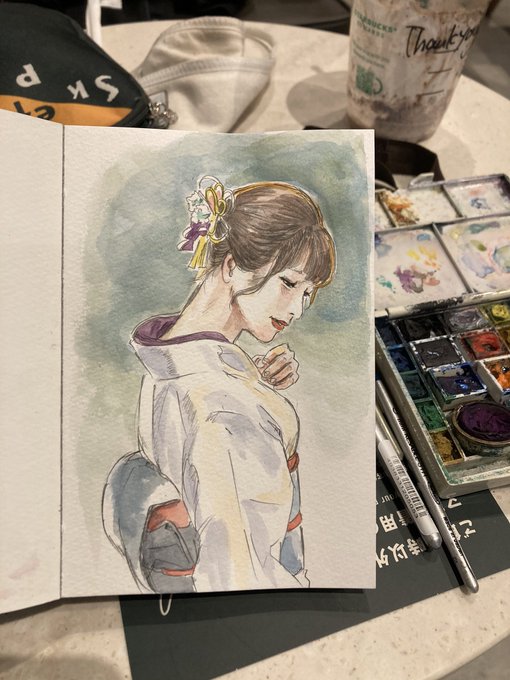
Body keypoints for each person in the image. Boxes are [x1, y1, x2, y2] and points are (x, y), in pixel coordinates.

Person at [102, 176, 336, 593]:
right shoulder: (225, 409)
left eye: (308, 293)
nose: (298, 309)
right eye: (289, 283)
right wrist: (249, 397)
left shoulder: (168, 361)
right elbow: (240, 571)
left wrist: (250, 379)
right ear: (231, 267)